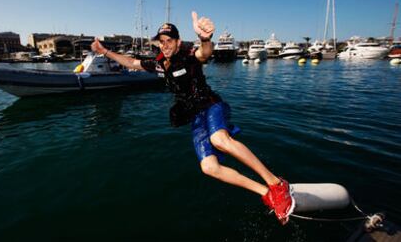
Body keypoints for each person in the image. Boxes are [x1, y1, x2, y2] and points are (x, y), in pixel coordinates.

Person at [91, 11, 295, 224]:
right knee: (209, 167)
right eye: (161, 41)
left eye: (169, 40)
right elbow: (132, 63)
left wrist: (205, 39)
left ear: (178, 42)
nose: (165, 45)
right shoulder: (161, 64)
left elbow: (204, 54)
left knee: (219, 139)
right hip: (196, 117)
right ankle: (266, 194)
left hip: (211, 105)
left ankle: (277, 184)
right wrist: (105, 51)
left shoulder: (188, 56)